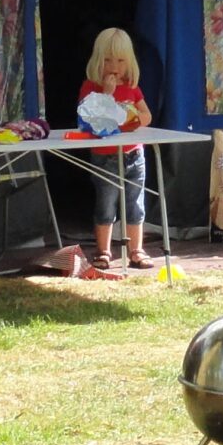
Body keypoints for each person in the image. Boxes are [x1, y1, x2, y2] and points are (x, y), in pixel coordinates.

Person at [80, 27, 154, 272]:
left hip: (134, 154)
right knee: (106, 204)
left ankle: (136, 250)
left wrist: (136, 119)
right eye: (108, 60)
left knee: (135, 203)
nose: (114, 67)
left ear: (129, 62)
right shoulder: (91, 87)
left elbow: (147, 115)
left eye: (120, 61)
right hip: (106, 155)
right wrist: (107, 94)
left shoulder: (132, 87)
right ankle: (103, 251)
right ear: (97, 61)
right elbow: (89, 117)